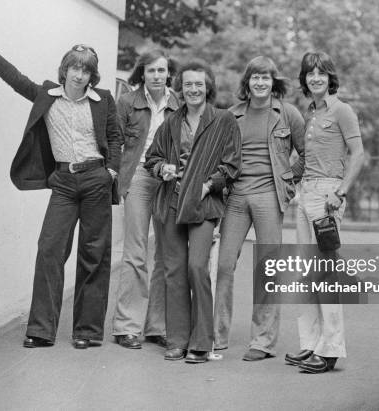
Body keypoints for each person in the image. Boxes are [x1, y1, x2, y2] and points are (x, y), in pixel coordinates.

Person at [0, 20, 121, 349]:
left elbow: (115, 137)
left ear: (92, 76)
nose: (79, 75)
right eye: (74, 68)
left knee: (94, 254)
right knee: (49, 250)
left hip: (96, 179)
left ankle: (87, 331)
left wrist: (110, 172)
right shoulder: (47, 95)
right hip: (65, 184)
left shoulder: (103, 100)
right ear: (65, 70)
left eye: (86, 71)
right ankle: (41, 329)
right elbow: (17, 80)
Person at [144, 60, 242, 364]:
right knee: (173, 271)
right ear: (180, 88)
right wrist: (163, 169)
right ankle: (176, 340)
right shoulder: (171, 122)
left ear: (208, 86)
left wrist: (207, 185)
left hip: (203, 203)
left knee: (197, 268)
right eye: (188, 84)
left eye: (199, 84)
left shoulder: (224, 121)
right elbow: (152, 158)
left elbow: (232, 165)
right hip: (171, 203)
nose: (194, 89)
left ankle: (201, 342)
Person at [214, 56, 305, 361]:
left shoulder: (287, 114)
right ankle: (216, 335)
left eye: (266, 77)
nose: (261, 82)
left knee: (267, 268)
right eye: (255, 77)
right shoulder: (231, 115)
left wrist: (288, 182)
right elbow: (218, 156)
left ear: (273, 81)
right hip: (236, 197)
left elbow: (305, 154)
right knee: (224, 265)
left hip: (269, 196)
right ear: (247, 82)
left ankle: (263, 342)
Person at [286, 51, 364, 373]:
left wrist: (340, 192)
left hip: (327, 196)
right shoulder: (311, 112)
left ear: (330, 77)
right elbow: (306, 159)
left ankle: (331, 349)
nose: (315, 78)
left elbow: (358, 154)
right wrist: (287, 178)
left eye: (321, 73)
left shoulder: (342, 110)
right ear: (304, 79)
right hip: (305, 194)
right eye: (309, 74)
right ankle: (311, 344)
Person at [111, 50, 180, 349]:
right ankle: (127, 326)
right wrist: (117, 177)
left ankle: (156, 326)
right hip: (138, 177)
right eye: (151, 70)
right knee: (135, 253)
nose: (156, 76)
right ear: (143, 73)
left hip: (168, 179)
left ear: (168, 73)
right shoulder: (127, 101)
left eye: (161, 70)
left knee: (166, 254)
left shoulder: (178, 103)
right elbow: (114, 140)